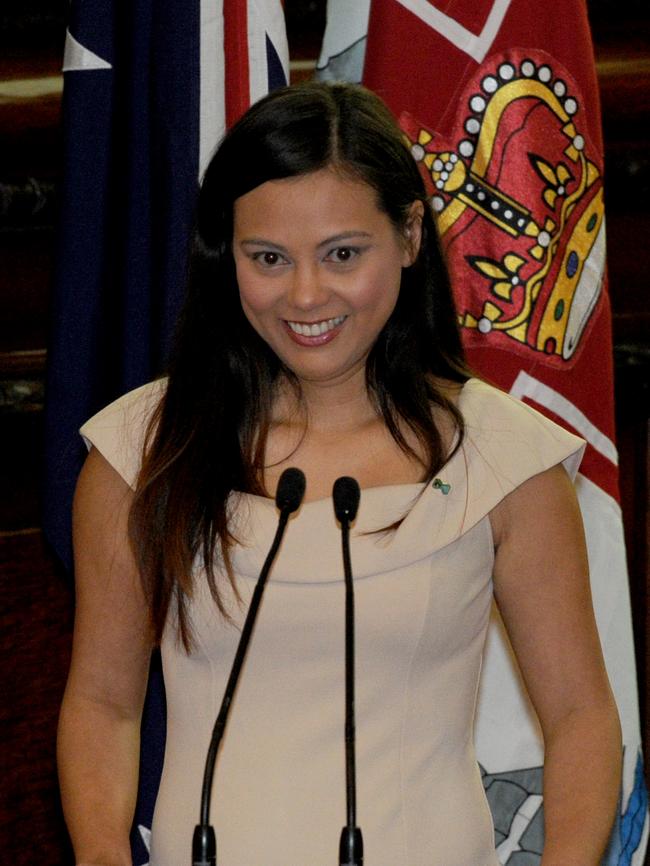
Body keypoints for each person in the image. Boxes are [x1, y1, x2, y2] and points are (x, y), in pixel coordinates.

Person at [57, 81, 621, 866]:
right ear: (227, 254)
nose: (306, 294)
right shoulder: (143, 448)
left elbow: (580, 717)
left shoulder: (504, 457)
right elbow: (104, 703)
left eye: (343, 254)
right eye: (268, 259)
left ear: (411, 235)